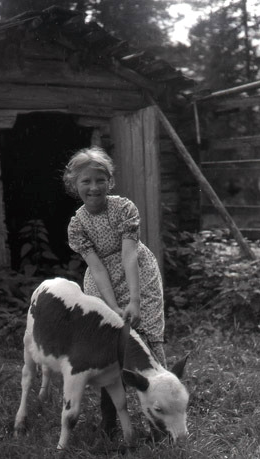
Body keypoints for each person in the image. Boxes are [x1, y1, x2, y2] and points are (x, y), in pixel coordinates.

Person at [63, 146, 166, 365]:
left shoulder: (124, 209)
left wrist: (134, 301)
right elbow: (97, 268)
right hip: (102, 282)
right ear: (74, 185)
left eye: (100, 180)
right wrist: (112, 307)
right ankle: (115, 394)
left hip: (138, 275)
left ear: (109, 182)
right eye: (86, 181)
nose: (94, 187)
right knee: (108, 335)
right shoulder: (77, 226)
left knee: (146, 329)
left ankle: (162, 392)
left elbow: (129, 256)